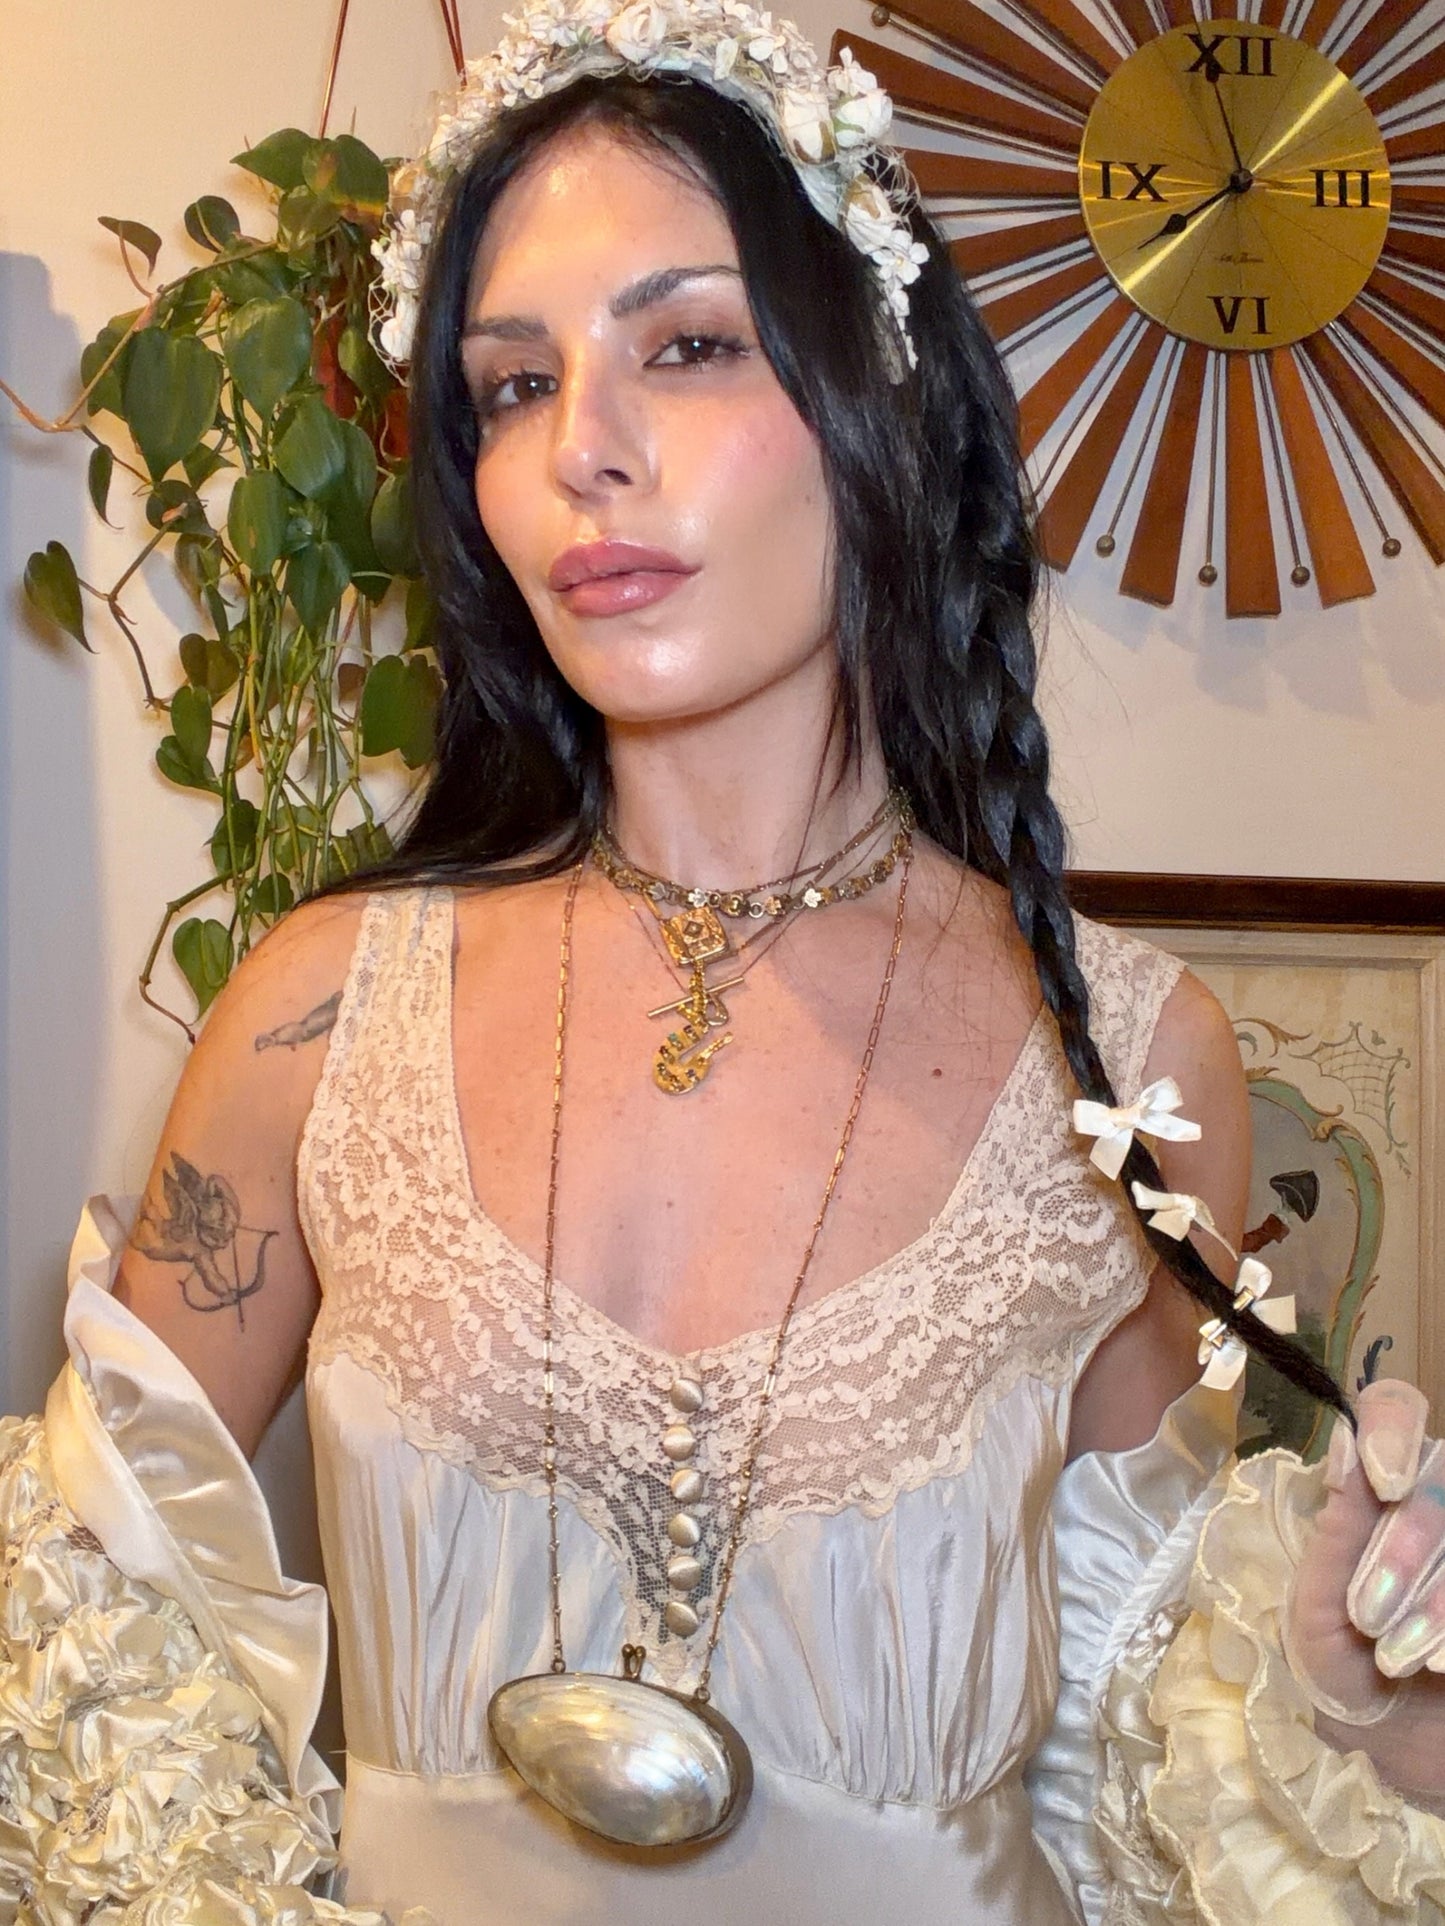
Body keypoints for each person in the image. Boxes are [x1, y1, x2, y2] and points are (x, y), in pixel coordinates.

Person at [3, 3, 1445, 1921]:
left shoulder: (1129, 1058)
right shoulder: (318, 1008)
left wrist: (1345, 1705)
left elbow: (1126, 1783)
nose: (580, 452)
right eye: (509, 389)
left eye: (685, 345)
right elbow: (95, 1650)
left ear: (885, 403)